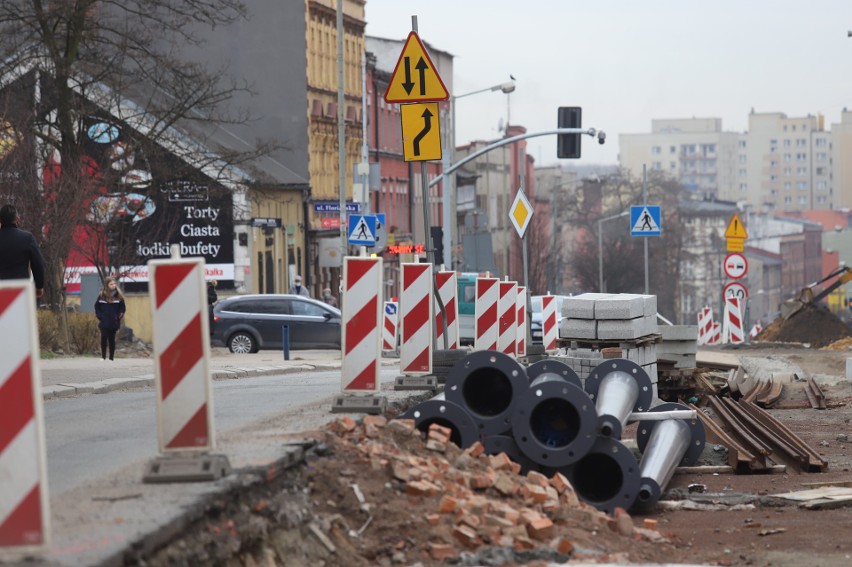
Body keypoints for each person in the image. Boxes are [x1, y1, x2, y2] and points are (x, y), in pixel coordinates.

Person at [0, 204, 46, 298]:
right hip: (20, 290)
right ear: (17, 219)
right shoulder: (27, 238)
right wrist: (39, 287)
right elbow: (38, 264)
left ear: (0, 220)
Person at [94, 277, 126, 361]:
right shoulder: (101, 296)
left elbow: (122, 308)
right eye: (111, 284)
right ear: (107, 285)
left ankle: (111, 357)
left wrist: (118, 316)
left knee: (112, 339)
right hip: (104, 321)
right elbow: (97, 307)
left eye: (114, 284)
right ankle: (103, 357)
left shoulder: (119, 296)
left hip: (114, 322)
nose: (113, 285)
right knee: (103, 338)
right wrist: (100, 316)